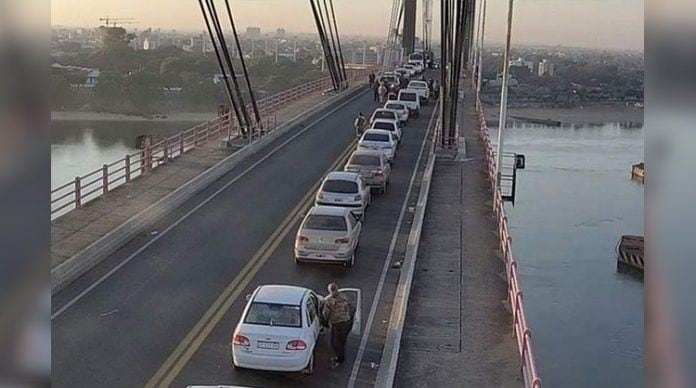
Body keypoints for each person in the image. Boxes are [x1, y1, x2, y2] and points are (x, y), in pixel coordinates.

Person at [322, 283, 352, 368]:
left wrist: (325, 322)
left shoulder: (329, 300)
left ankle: (339, 357)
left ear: (330, 290)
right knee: (342, 340)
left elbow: (326, 313)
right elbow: (348, 307)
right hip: (346, 321)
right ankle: (342, 356)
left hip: (336, 323)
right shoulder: (344, 297)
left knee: (335, 342)